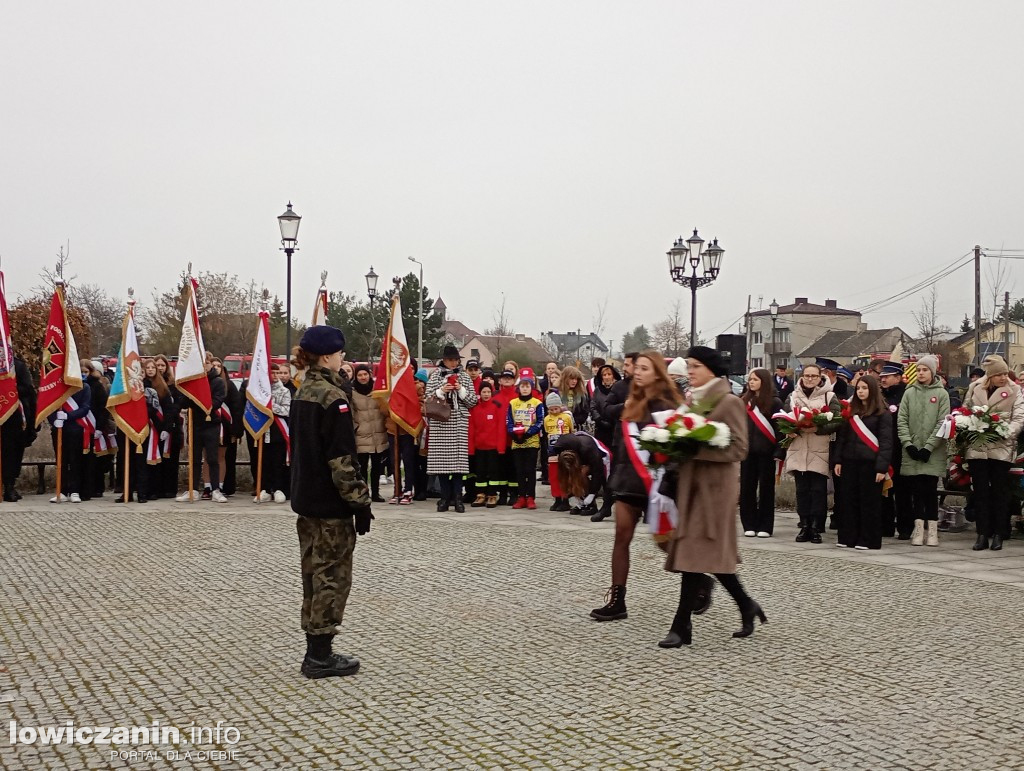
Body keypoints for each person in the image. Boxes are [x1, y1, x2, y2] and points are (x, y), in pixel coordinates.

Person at [660, 346, 761, 648]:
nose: (690, 371)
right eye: (689, 366)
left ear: (712, 370)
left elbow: (740, 449)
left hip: (715, 488)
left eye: (695, 366)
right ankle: (746, 605)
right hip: (692, 486)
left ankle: (680, 627)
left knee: (694, 556)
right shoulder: (693, 401)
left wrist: (695, 447)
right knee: (706, 555)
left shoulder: (729, 401)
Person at [289, 325, 371, 678]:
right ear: (326, 356)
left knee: (313, 573)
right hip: (329, 504)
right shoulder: (332, 398)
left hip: (307, 499)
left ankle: (316, 648)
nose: (343, 359)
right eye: (340, 353)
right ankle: (319, 655)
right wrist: (360, 503)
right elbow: (341, 460)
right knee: (332, 577)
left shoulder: (304, 391)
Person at [591, 351, 688, 621]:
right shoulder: (630, 399)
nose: (638, 372)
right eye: (636, 368)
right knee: (622, 536)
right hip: (628, 479)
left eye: (645, 368)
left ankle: (698, 579)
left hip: (659, 484)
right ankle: (617, 599)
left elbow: (677, 444)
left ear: (657, 372)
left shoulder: (670, 403)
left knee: (665, 543)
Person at [963, 355, 1024, 551]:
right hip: (978, 448)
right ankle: (982, 534)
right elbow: (966, 409)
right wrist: (968, 426)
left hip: (1002, 447)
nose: (1004, 377)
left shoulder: (1015, 390)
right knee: (980, 492)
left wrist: (1006, 431)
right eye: (999, 374)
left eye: (1006, 373)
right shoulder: (975, 388)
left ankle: (999, 533)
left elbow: (1019, 417)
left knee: (1000, 491)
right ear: (991, 375)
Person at [897, 355, 950, 547]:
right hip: (912, 450)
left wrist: (929, 447)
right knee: (916, 491)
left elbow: (942, 422)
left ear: (932, 372)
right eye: (918, 370)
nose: (921, 373)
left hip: (932, 452)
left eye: (925, 370)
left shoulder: (942, 394)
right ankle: (918, 529)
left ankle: (933, 531)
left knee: (930, 490)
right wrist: (908, 444)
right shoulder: (909, 393)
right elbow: (902, 420)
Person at [834, 375, 893, 550]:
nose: (860, 391)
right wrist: (837, 460)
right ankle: (848, 536)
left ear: (873, 390)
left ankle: (868, 539)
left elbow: (886, 442)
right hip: (850, 461)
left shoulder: (883, 413)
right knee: (848, 500)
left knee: (869, 503)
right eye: (858, 388)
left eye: (865, 388)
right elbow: (842, 439)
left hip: (870, 464)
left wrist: (882, 468)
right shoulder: (851, 412)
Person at [785, 363, 841, 543]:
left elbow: (837, 420)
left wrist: (818, 427)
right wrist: (789, 428)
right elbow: (784, 417)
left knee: (818, 490)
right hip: (798, 448)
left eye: (814, 376)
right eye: (807, 376)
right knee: (802, 490)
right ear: (802, 377)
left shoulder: (829, 396)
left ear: (820, 377)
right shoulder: (793, 396)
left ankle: (817, 526)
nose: (810, 379)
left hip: (819, 448)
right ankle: (804, 525)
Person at [426, 346, 479, 512]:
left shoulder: (464, 376)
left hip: (458, 422)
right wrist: (441, 391)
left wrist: (460, 390)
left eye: (456, 360)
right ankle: (444, 497)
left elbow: (472, 401)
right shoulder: (435, 375)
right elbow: (427, 399)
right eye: (450, 360)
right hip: (440, 421)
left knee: (458, 464)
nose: (453, 363)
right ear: (444, 360)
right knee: (441, 463)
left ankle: (457, 497)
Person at [176, 353, 227, 502]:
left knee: (212, 458)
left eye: (206, 362)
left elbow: (218, 400)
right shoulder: (193, 382)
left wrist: (203, 403)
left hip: (211, 424)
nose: (204, 366)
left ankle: (215, 489)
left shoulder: (217, 381)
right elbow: (184, 403)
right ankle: (193, 490)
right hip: (195, 424)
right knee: (194, 459)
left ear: (210, 363)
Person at [740, 368, 782, 537]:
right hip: (747, 452)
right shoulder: (744, 401)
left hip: (767, 452)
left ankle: (765, 525)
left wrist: (780, 450)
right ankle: (748, 523)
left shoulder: (775, 402)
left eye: (755, 379)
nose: (752, 382)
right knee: (747, 488)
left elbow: (780, 429)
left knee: (766, 489)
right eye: (750, 379)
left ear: (764, 382)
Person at [48, 368, 93, 503]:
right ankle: (61, 491)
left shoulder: (84, 387)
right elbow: (49, 405)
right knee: (61, 460)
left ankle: (75, 491)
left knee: (75, 461)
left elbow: (85, 408)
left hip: (76, 428)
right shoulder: (57, 387)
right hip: (59, 428)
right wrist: (54, 419)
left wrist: (68, 416)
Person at [879, 361, 912, 539]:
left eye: (887, 376)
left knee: (903, 490)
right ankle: (886, 525)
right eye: (882, 376)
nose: (883, 379)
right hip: (883, 448)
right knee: (884, 488)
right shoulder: (878, 395)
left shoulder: (907, 395)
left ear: (898, 378)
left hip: (902, 448)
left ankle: (905, 527)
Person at [349, 363, 388, 503]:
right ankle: (364, 492)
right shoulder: (352, 393)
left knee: (377, 467)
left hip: (379, 434)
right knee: (362, 467)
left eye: (365, 374)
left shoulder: (378, 391)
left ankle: (376, 492)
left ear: (370, 375)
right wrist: (356, 427)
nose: (363, 377)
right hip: (361, 435)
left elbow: (385, 409)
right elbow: (351, 413)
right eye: (360, 375)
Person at [588, 363, 622, 522]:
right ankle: (604, 498)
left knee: (617, 465)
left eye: (609, 374)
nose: (607, 378)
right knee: (602, 465)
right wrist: (599, 419)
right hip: (602, 430)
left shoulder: (619, 390)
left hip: (617, 431)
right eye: (604, 375)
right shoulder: (598, 392)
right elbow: (593, 407)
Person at [1, 352, 37, 502]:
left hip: (14, 415)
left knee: (13, 452)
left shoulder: (17, 365)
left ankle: (9, 486)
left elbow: (28, 389)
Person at [506, 375, 545, 509]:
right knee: (520, 470)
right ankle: (521, 496)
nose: (525, 389)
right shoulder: (513, 403)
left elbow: (540, 421)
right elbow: (509, 422)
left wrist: (528, 433)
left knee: (530, 470)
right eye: (522, 386)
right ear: (518, 388)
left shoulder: (537, 403)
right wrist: (514, 434)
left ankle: (531, 497)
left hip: (531, 441)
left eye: (527, 386)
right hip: (517, 442)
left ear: (531, 387)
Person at [553, 431, 610, 517]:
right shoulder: (563, 448)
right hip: (583, 459)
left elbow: (597, 472)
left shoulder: (587, 448)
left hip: (602, 460)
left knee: (583, 474)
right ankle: (582, 502)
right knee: (576, 474)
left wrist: (592, 494)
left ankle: (598, 506)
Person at [468, 380, 506, 507]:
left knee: (493, 471)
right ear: (480, 393)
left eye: (488, 392)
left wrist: (500, 447)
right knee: (480, 472)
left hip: (493, 447)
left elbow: (501, 428)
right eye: (484, 392)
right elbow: (472, 429)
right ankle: (480, 495)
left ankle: (492, 495)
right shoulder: (475, 408)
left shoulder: (497, 406)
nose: (486, 394)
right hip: (479, 447)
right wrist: (471, 449)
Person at [154, 354, 184, 499]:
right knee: (157, 458)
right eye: (157, 365)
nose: (160, 368)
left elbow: (178, 403)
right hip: (156, 426)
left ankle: (170, 489)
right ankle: (157, 488)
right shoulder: (150, 383)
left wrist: (171, 413)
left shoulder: (174, 385)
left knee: (171, 460)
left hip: (172, 425)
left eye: (162, 365)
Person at [543, 392, 575, 510]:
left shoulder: (566, 417)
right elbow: (547, 432)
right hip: (552, 450)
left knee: (565, 475)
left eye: (556, 408)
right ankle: (556, 498)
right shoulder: (546, 419)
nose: (554, 411)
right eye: (551, 409)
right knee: (554, 475)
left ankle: (565, 499)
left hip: (565, 449)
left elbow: (572, 430)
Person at [492, 369, 519, 506]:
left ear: (514, 380)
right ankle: (502, 494)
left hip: (515, 439)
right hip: (500, 439)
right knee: (501, 469)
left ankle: (514, 494)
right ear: (500, 381)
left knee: (513, 468)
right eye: (504, 378)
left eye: (510, 377)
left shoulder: (518, 397)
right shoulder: (495, 398)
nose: (507, 380)